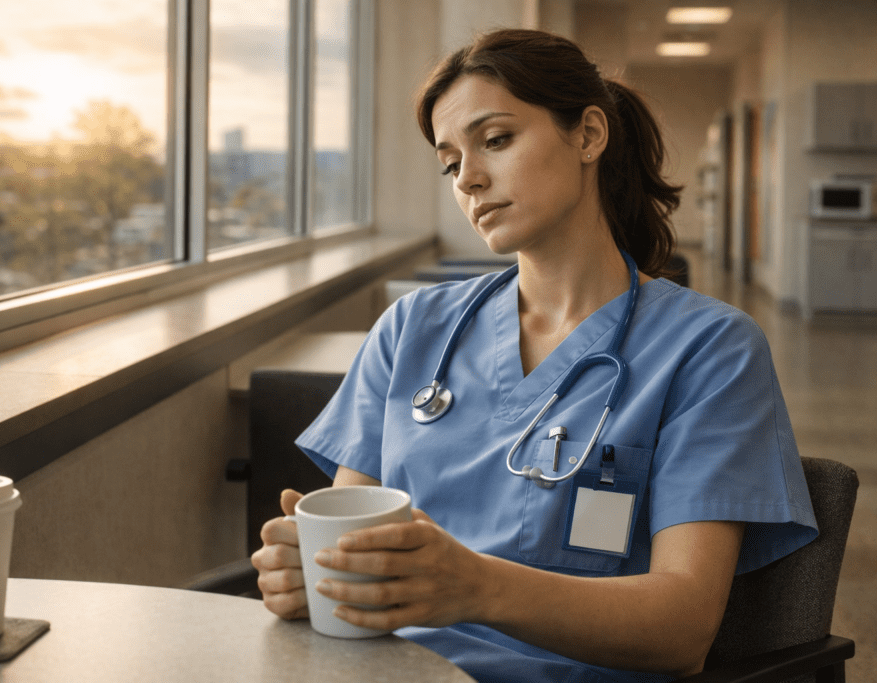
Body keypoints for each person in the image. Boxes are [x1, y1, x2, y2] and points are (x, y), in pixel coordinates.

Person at [251, 28, 817, 683]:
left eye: (496, 140)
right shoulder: (412, 328)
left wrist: (477, 587)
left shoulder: (710, 349)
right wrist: (310, 576)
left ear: (588, 135)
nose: (469, 178)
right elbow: (351, 543)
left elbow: (683, 629)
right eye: (449, 161)